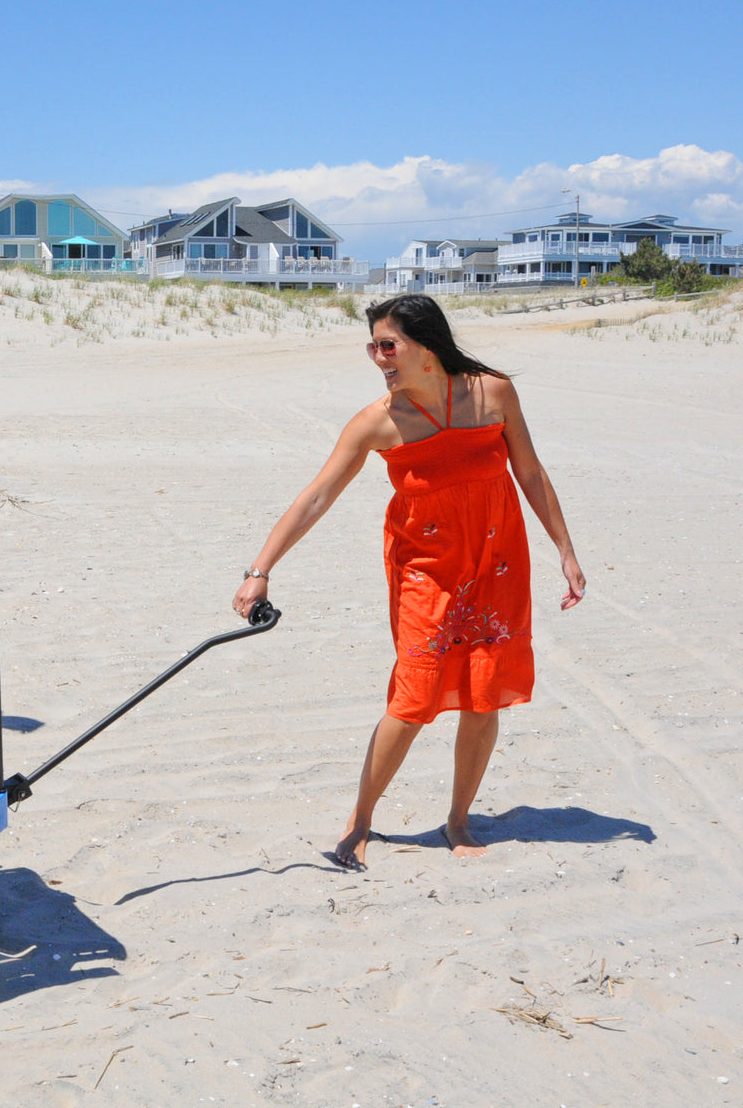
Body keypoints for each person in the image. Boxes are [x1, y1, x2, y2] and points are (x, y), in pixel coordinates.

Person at [231, 294, 585, 870]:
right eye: (372, 346)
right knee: (413, 698)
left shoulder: (492, 393)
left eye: (387, 345)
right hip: (426, 571)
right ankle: (361, 819)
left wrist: (565, 551)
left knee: (483, 692)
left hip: (496, 565)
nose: (378, 357)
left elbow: (530, 471)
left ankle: (458, 820)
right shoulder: (378, 421)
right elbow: (317, 496)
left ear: (426, 345)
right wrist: (259, 570)